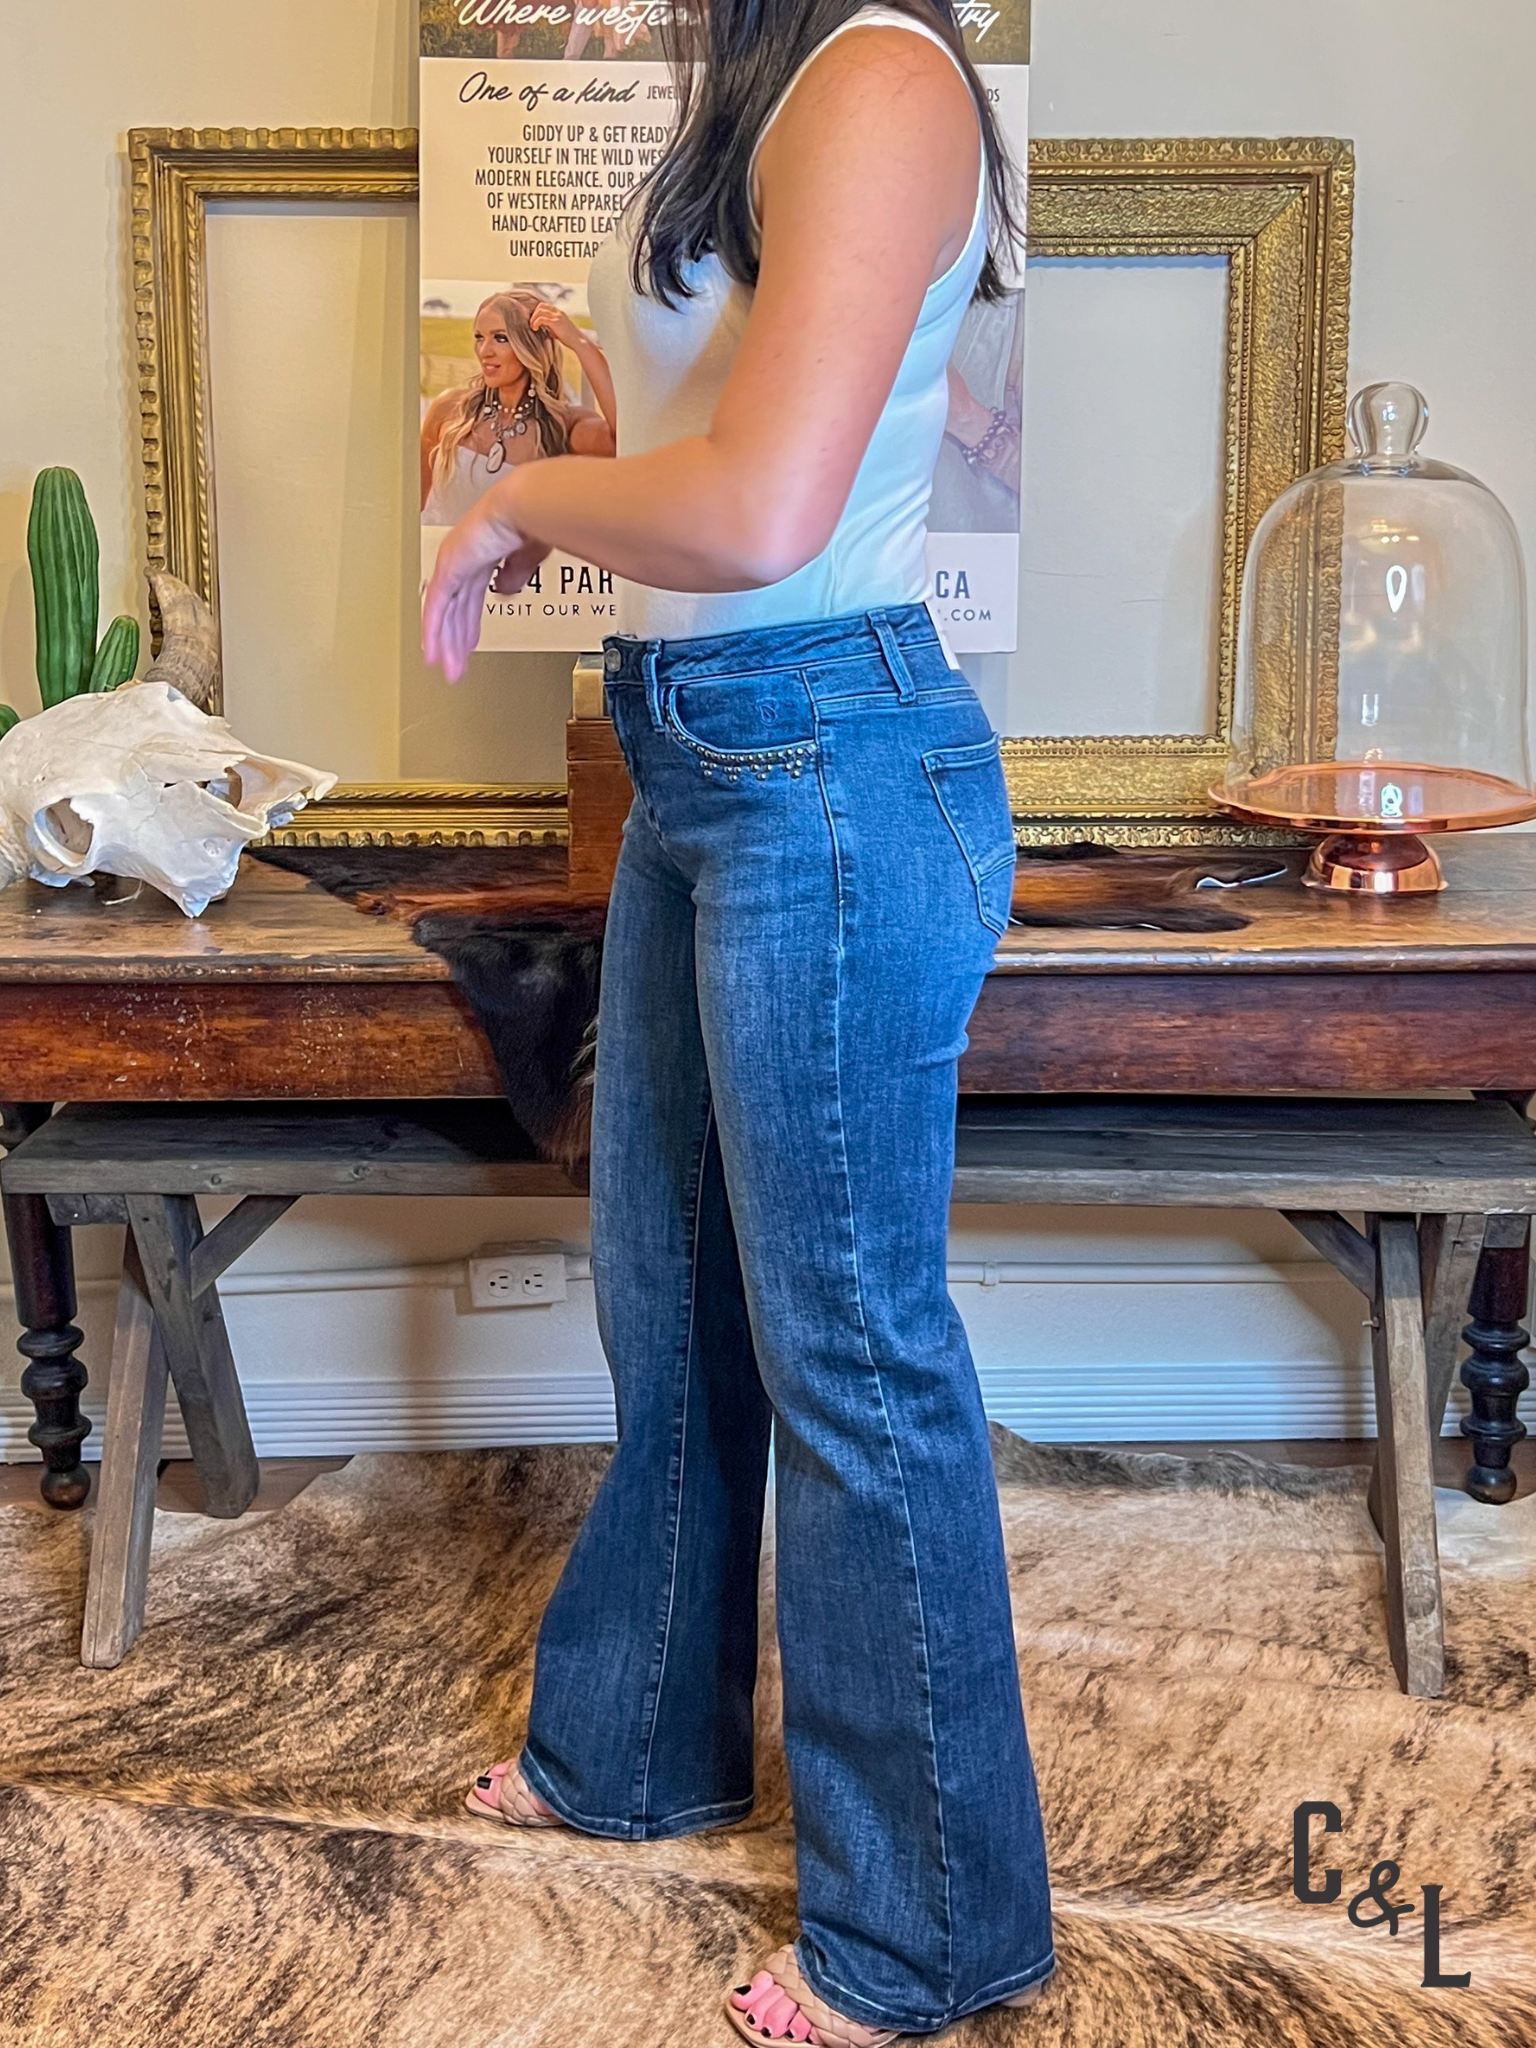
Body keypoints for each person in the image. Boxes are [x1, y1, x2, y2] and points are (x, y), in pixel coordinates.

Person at [422, 4, 1054, 2041]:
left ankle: (929, 1927)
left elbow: (769, 510)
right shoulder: (769, 79)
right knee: (673, 1302)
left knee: (850, 1351)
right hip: (708, 762)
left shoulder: (876, 78)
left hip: (832, 774)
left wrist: (524, 507)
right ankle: (634, 1743)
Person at [420, 290, 615, 527]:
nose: (484, 351)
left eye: (500, 338)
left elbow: (627, 442)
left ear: (531, 346)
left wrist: (580, 342)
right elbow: (410, 507)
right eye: (480, 337)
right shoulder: (448, 410)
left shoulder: (564, 426)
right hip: (437, 561)